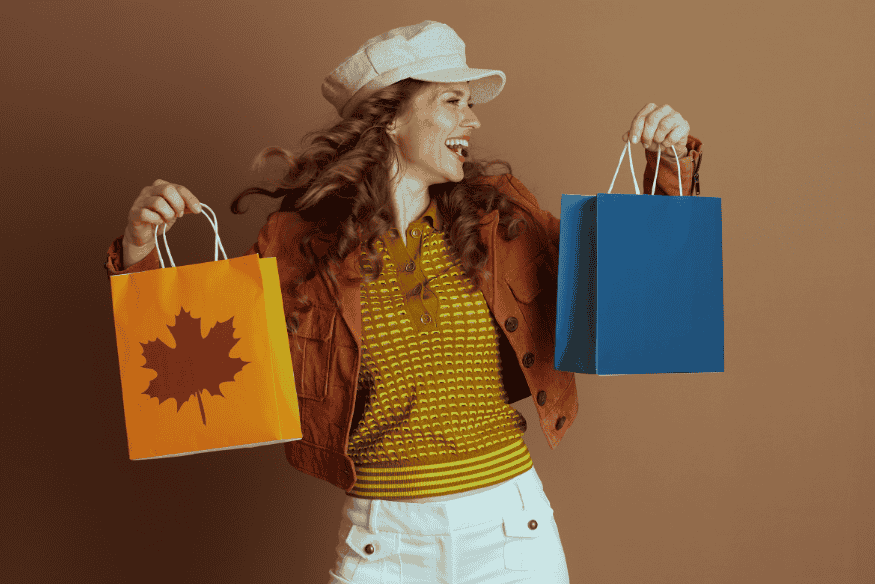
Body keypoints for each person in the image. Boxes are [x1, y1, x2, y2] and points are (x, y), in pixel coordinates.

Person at [105, 20, 702, 584]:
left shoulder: (500, 217)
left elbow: (632, 288)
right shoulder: (297, 244)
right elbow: (198, 364)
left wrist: (667, 163)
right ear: (390, 118)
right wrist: (140, 249)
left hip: (509, 530)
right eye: (452, 100)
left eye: (470, 103)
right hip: (382, 540)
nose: (472, 119)